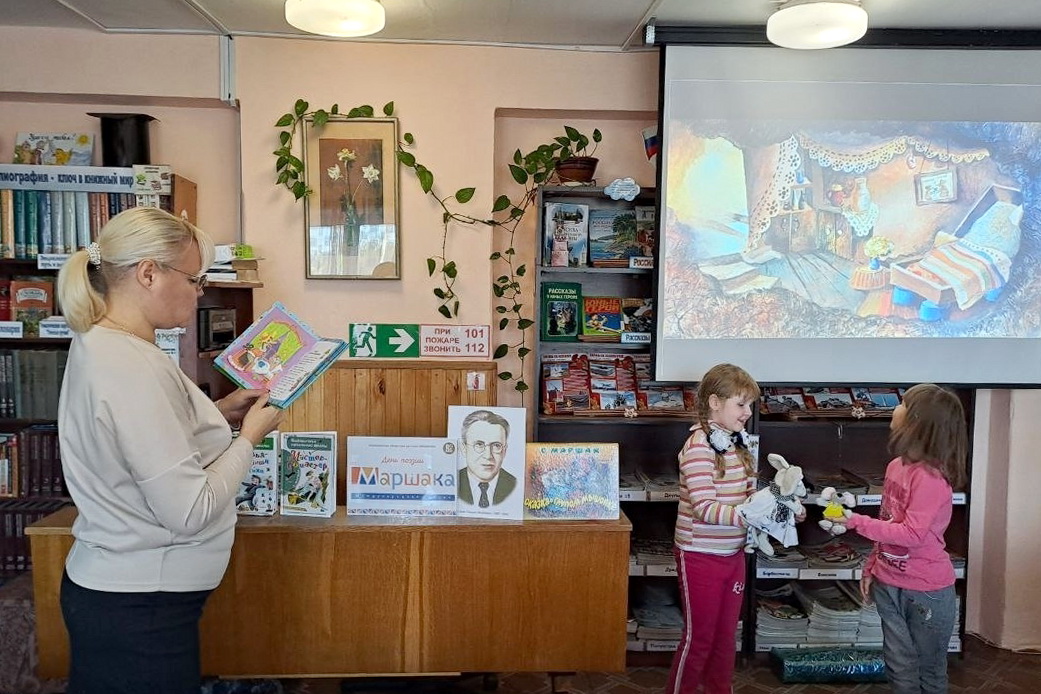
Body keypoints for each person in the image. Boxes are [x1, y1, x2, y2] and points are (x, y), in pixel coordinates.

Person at [56, 206, 285, 694]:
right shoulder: (130, 366)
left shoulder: (105, 342)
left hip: (130, 596)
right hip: (140, 604)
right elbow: (189, 510)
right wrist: (250, 438)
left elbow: (138, 441)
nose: (200, 292)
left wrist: (219, 413)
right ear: (148, 274)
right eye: (194, 279)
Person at [831, 383, 967, 694]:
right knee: (899, 666)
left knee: (929, 671)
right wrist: (872, 565)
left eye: (903, 403)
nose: (895, 407)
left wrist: (854, 521)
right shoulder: (896, 466)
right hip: (888, 582)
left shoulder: (931, 478)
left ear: (917, 420)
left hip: (926, 592)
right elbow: (887, 522)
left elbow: (912, 534)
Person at [666, 363, 762, 694]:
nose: (748, 412)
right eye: (741, 404)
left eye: (750, 405)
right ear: (714, 402)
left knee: (725, 637)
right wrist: (750, 517)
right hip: (699, 555)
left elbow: (750, 495)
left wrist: (778, 510)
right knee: (699, 638)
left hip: (732, 554)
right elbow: (705, 507)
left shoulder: (739, 443)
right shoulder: (698, 446)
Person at [456, 409, 515, 507]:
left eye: (496, 445)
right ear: (464, 448)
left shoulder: (515, 485)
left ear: (504, 451)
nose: (488, 456)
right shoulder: (453, 482)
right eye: (479, 444)